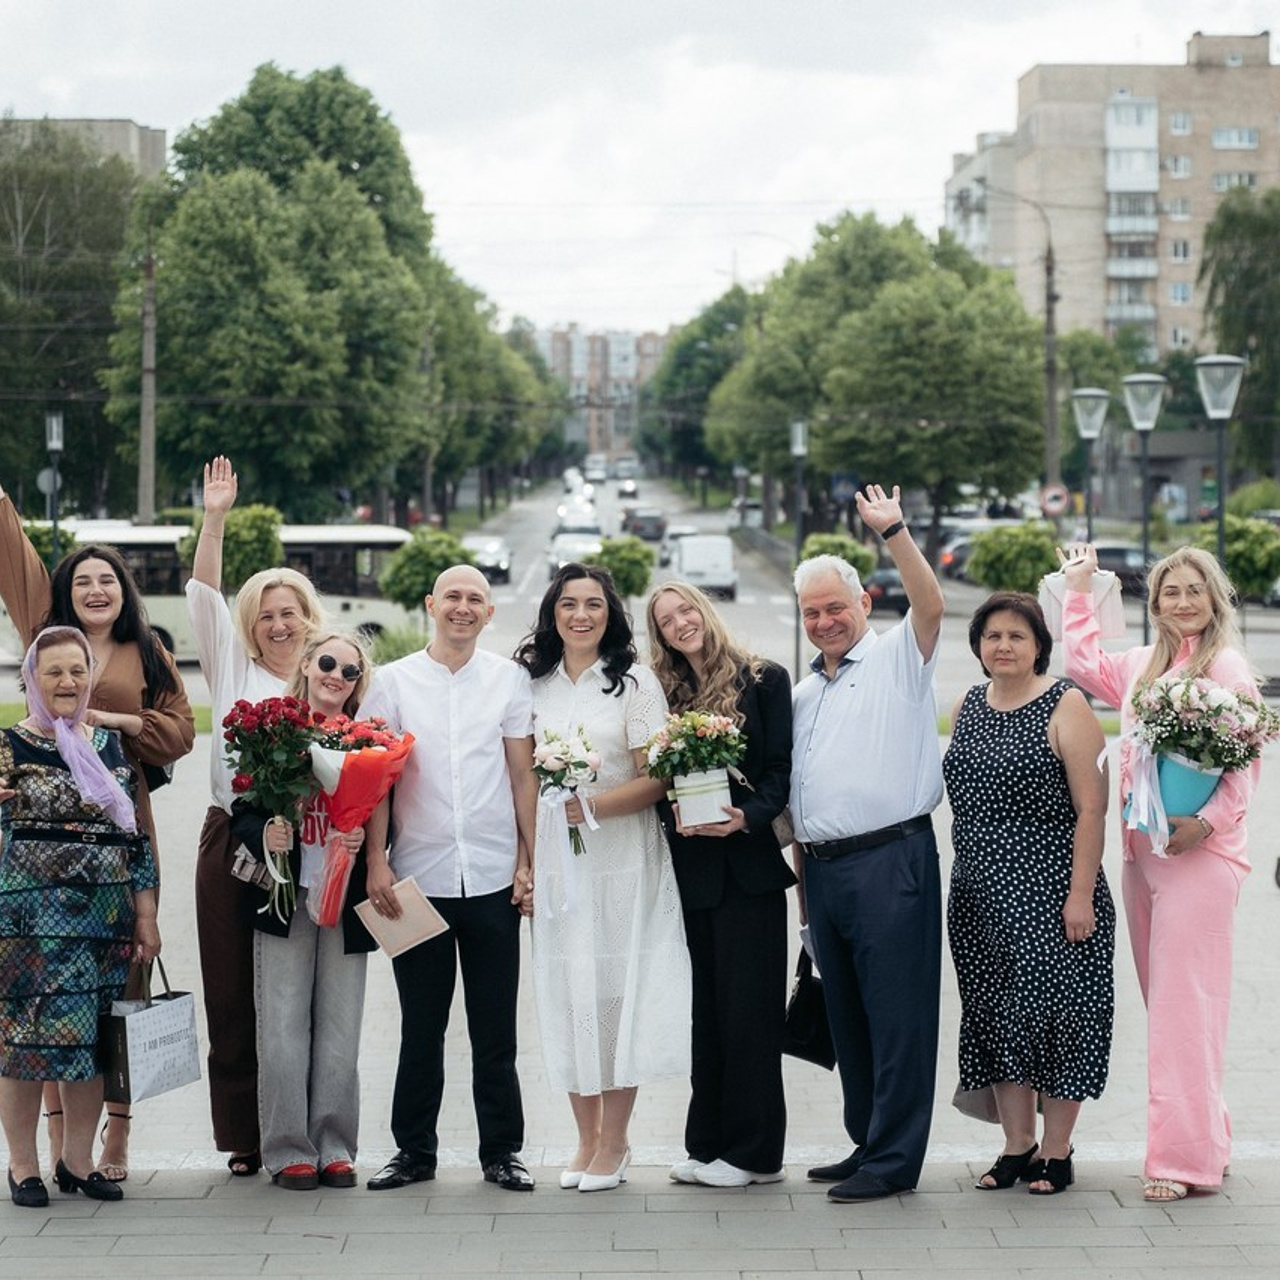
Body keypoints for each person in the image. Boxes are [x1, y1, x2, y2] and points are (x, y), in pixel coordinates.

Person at [0, 479, 194, 1181]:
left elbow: (178, 733)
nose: (95, 589)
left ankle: (115, 1141)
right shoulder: (45, 639)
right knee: (40, 1021)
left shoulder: (146, 652)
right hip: (33, 890)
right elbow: (13, 553)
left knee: (116, 1003)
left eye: (106, 579)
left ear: (124, 591)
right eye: (81, 580)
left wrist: (113, 723)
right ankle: (51, 1151)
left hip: (119, 831)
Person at [1059, 543, 1261, 1202]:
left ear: (1215, 597)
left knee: (1183, 1011)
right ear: (1155, 603)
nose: (1181, 602)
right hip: (1142, 854)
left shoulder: (1228, 668)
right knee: (1176, 1010)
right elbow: (1082, 663)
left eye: (1193, 590)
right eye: (1169, 592)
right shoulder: (1144, 664)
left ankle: (1180, 1162)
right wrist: (1080, 589)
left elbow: (1246, 763)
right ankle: (1207, 1135)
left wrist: (1211, 823)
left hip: (1200, 858)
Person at [361, 564, 539, 1192]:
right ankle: (413, 1152)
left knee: (496, 1029)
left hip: (491, 877)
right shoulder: (391, 682)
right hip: (417, 878)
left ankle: (502, 1152)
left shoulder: (509, 681)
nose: (463, 608)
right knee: (420, 1027)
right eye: (453, 597)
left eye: (476, 600)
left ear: (490, 613)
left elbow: (523, 778)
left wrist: (529, 860)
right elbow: (376, 777)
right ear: (431, 604)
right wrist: (377, 859)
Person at [790, 484, 945, 1204]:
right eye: (812, 612)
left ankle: (893, 1160)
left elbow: (932, 605)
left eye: (835, 608)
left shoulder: (895, 661)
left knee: (898, 1016)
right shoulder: (801, 695)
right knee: (848, 1016)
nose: (825, 621)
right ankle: (866, 1141)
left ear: (864, 606)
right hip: (824, 874)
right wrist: (803, 908)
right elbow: (799, 804)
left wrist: (894, 533)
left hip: (892, 862)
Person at [516, 564, 690, 1194]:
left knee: (616, 994)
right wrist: (527, 860)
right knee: (566, 993)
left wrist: (591, 805)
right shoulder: (530, 683)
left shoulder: (635, 682)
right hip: (560, 863)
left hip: (622, 857)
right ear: (552, 611)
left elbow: (658, 777)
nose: (580, 615)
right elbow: (519, 781)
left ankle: (616, 1142)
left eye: (593, 604)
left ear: (610, 612)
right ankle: (584, 1137)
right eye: (568, 604)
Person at [944, 593, 1113, 1196]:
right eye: (992, 637)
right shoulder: (968, 704)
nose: (1004, 646)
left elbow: (1091, 809)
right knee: (995, 1017)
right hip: (978, 896)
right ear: (978, 647)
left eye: (1017, 636)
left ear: (1039, 644)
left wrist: (1081, 894)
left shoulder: (1066, 704)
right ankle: (1017, 1145)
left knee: (1059, 1020)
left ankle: (1057, 1151)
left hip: (1052, 893)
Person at [187, 456, 325, 1177]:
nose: (278, 623)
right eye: (266, 614)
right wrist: (215, 519)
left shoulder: (329, 676)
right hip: (233, 842)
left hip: (310, 847)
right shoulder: (232, 670)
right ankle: (245, 1134)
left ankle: (299, 1133)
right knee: (234, 991)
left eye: (288, 611)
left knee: (300, 1000)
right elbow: (205, 596)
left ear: (309, 618)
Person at [0, 627, 160, 1207]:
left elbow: (134, 836)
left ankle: (77, 1161)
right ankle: (22, 1166)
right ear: (32, 680)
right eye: (54, 672)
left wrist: (147, 915)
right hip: (28, 927)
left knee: (90, 1043)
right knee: (23, 1045)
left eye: (76, 671)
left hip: (104, 922)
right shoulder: (7, 746)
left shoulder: (110, 745)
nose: (67, 682)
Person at [646, 581, 794, 1188]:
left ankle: (756, 1155)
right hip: (692, 871)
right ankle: (707, 1144)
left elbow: (782, 772)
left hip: (750, 869)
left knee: (749, 1013)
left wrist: (747, 817)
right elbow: (653, 777)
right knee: (705, 1013)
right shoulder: (662, 691)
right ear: (658, 636)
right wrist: (672, 817)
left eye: (686, 610)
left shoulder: (765, 678)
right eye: (666, 620)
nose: (681, 624)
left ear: (703, 610)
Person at [229, 631, 375, 1190]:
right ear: (308, 665)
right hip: (282, 896)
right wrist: (267, 830)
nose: (338, 675)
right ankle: (289, 1148)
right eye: (329, 663)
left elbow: (389, 817)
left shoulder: (368, 740)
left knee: (341, 1028)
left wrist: (366, 842)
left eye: (351, 671)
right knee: (283, 1027)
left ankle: (335, 1145)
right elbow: (240, 809)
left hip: (344, 897)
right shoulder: (272, 730)